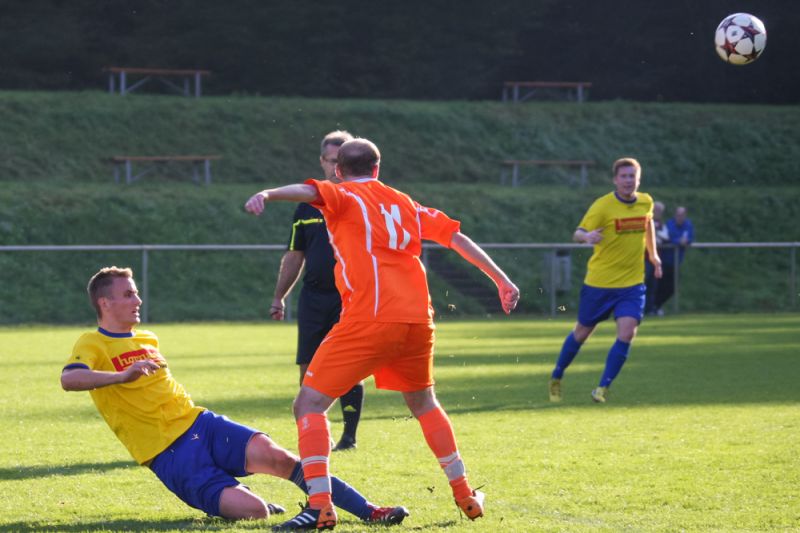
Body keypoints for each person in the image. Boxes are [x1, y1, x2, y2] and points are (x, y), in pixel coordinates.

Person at [245, 138, 520, 531]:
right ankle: (465, 494)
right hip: (417, 320)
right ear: (377, 168)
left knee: (308, 405)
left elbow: (307, 191)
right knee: (424, 403)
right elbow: (455, 237)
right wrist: (502, 280)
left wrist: (268, 194)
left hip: (369, 318)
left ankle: (320, 506)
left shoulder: (343, 195)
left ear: (338, 170)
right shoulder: (404, 202)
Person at [61, 266, 408, 526]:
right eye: (128, 295)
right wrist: (122, 375)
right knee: (255, 513)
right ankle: (246, 501)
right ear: (105, 302)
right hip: (169, 454)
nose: (137, 300)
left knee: (281, 458)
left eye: (136, 293)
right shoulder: (93, 342)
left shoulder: (148, 339)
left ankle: (370, 511)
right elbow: (69, 379)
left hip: (201, 424)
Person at [270, 130, 363, 452]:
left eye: (342, 161)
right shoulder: (306, 208)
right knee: (307, 368)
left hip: (350, 297)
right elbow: (294, 255)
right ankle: (315, 436)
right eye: (331, 160)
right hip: (313, 298)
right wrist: (279, 296)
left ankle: (349, 436)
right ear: (322, 161)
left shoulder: (360, 201)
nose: (336, 167)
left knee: (349, 367)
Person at [547, 157, 661, 404]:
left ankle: (602, 388)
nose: (628, 180)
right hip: (600, 283)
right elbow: (577, 233)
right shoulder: (602, 206)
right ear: (615, 180)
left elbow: (648, 224)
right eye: (624, 176)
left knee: (627, 333)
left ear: (638, 179)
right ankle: (557, 375)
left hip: (632, 284)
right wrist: (587, 237)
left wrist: (653, 255)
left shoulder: (646, 201)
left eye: (632, 176)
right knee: (582, 333)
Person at [654, 206, 694, 314]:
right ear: (675, 215)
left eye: (682, 215)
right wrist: (678, 241)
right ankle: (653, 307)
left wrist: (686, 241)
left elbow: (690, 238)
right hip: (664, 261)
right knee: (660, 285)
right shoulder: (669, 224)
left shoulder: (688, 225)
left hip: (676, 263)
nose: (680, 217)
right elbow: (667, 238)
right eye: (678, 215)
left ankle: (656, 306)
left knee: (672, 287)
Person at [644, 200, 669, 314]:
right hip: (645, 259)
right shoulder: (646, 221)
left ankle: (649, 309)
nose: (657, 212)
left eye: (660, 211)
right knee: (643, 284)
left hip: (656, 260)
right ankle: (641, 308)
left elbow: (666, 238)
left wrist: (655, 234)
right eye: (656, 210)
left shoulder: (661, 224)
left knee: (653, 285)